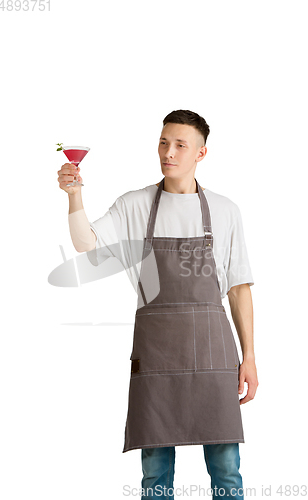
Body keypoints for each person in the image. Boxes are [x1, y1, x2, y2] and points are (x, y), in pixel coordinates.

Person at [57, 110, 258, 499]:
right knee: (155, 478)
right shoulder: (135, 205)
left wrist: (249, 356)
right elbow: (87, 246)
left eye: (180, 144)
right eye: (164, 142)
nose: (169, 152)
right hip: (157, 357)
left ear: (201, 153)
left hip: (215, 357)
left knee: (227, 473)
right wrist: (75, 197)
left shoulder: (225, 210)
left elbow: (238, 288)